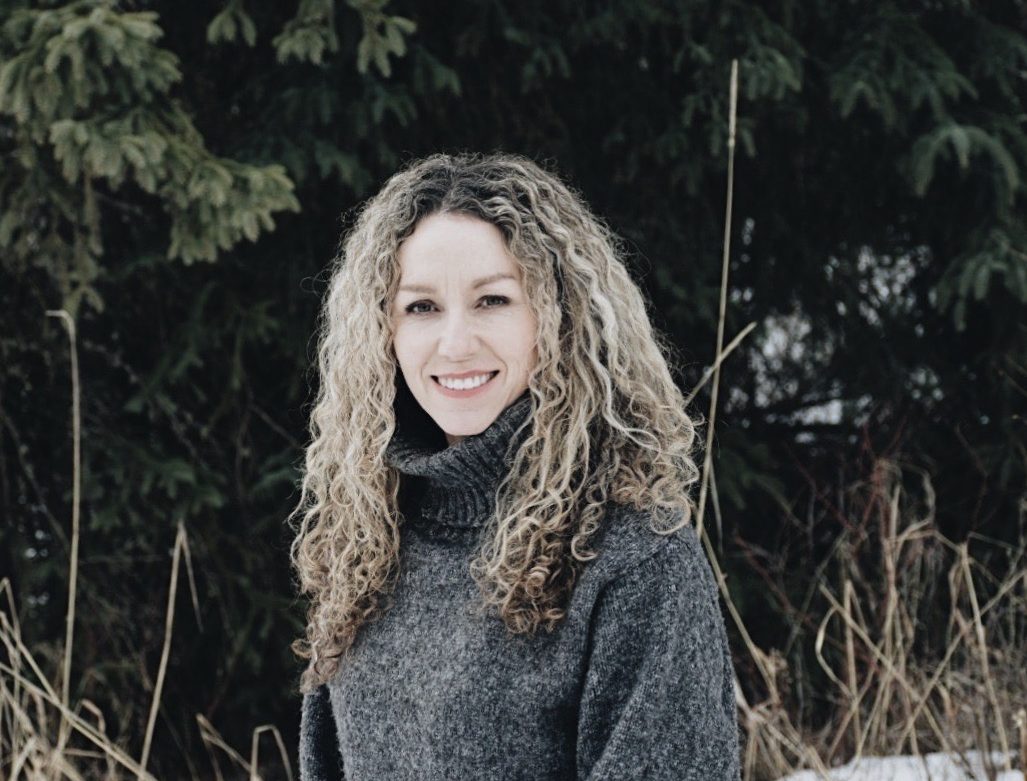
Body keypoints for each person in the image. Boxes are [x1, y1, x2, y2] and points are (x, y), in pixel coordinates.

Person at [290, 151, 740, 780]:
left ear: (559, 319)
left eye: (493, 300)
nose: (455, 343)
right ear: (381, 330)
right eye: (421, 307)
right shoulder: (368, 540)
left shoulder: (634, 556)